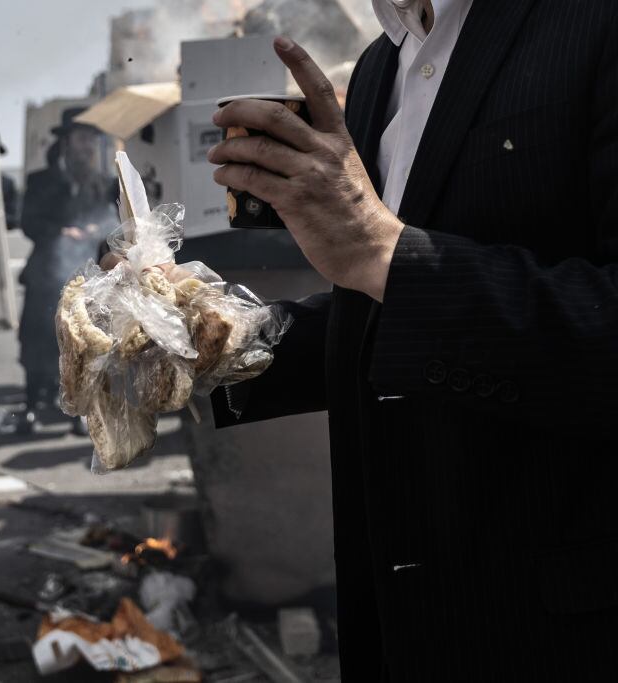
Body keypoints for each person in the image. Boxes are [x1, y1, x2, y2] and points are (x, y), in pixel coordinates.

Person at [202, 1, 618, 680]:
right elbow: (384, 305)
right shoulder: (377, 68)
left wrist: (386, 253)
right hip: (403, 620)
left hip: (559, 630)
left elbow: (396, 265)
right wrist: (221, 343)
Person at [18, 108, 117, 435]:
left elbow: (114, 226)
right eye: (81, 138)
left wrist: (95, 232)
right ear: (67, 142)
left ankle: (78, 408)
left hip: (86, 275)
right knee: (38, 340)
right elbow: (29, 223)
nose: (87, 145)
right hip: (47, 272)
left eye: (92, 138)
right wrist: (61, 232)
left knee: (81, 343)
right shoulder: (41, 180)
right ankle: (32, 404)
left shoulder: (105, 183)